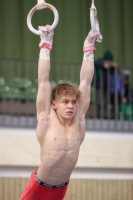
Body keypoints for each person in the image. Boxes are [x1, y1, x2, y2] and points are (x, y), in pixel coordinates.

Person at [19, 25, 100, 200]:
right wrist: (46, 44)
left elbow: (86, 81)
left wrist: (89, 48)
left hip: (60, 190)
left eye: (73, 102)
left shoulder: (79, 120)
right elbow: (43, 81)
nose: (71, 106)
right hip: (38, 188)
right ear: (54, 104)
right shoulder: (46, 119)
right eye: (65, 102)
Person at [93, 50, 122, 118]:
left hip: (106, 87)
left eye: (110, 61)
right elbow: (94, 63)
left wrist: (115, 67)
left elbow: (116, 72)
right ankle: (97, 116)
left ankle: (104, 116)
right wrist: (103, 64)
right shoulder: (100, 61)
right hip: (98, 86)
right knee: (98, 102)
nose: (109, 62)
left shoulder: (110, 66)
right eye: (108, 60)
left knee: (105, 102)